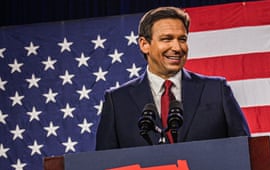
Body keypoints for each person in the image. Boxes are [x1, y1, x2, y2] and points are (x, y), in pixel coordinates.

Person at [95, 6, 250, 150]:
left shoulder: (216, 90)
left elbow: (244, 151)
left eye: (182, 39)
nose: (177, 48)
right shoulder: (117, 101)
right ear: (144, 44)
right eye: (167, 39)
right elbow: (103, 165)